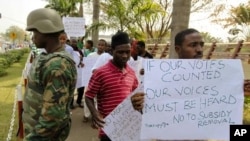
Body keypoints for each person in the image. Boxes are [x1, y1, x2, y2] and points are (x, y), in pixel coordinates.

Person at [22, 8, 77, 141]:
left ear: (44, 30)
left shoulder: (57, 65)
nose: (33, 36)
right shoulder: (49, 58)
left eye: (35, 31)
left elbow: (52, 119)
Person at [85, 31, 144, 141]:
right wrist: (94, 113)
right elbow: (88, 96)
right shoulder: (100, 73)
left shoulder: (131, 73)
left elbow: (136, 96)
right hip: (108, 130)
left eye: (127, 52)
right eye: (120, 52)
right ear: (112, 51)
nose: (124, 56)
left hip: (127, 128)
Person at [70, 38, 84, 109]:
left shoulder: (79, 51)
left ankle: (79, 101)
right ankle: (71, 103)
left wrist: (81, 60)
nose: (74, 43)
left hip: (79, 71)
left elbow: (83, 61)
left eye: (75, 42)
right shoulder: (68, 51)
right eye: (73, 42)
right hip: (71, 71)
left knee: (81, 87)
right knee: (71, 88)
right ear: (70, 42)